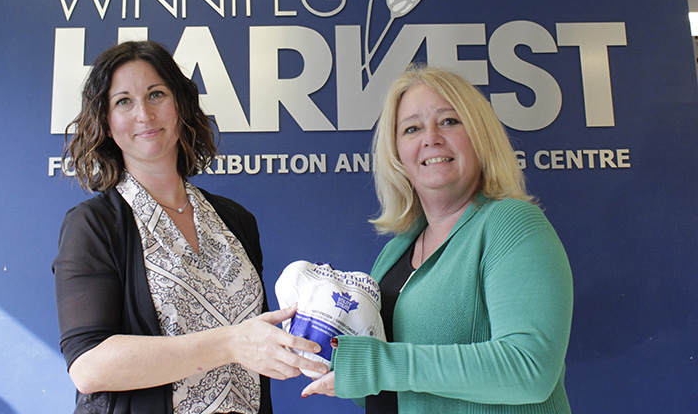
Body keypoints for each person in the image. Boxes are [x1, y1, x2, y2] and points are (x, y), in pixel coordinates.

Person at [52, 40, 327, 414]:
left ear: (179, 105)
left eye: (156, 94)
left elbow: (255, 339)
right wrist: (231, 343)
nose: (144, 114)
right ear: (106, 121)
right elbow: (89, 366)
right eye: (123, 102)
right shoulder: (94, 225)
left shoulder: (235, 220)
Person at [302, 64, 573, 413]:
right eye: (412, 128)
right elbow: (386, 385)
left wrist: (375, 364)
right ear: (397, 154)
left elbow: (528, 369)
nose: (431, 137)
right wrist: (325, 354)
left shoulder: (511, 224)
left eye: (449, 121)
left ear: (480, 135)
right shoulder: (395, 253)